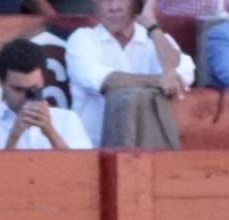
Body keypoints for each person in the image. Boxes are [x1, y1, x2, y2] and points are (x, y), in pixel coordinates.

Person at [64, 0, 194, 145]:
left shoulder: (153, 37)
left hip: (151, 144)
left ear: (136, 5)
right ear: (95, 6)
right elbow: (107, 81)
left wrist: (152, 25)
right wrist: (160, 81)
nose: (113, 7)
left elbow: (183, 72)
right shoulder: (82, 39)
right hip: (92, 147)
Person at [0, 38, 92, 148]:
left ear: (43, 81)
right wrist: (14, 136)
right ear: (1, 82)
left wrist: (50, 132)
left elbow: (80, 164)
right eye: (18, 90)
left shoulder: (67, 119)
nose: (26, 97)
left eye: (34, 89)